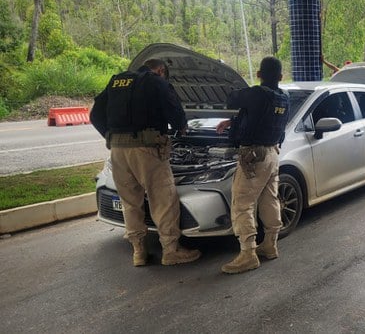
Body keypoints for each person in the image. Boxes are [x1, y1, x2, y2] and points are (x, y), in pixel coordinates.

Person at [90, 59, 201, 267]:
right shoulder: (156, 81)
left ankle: (139, 251)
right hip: (147, 149)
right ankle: (171, 250)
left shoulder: (117, 81)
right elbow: (174, 109)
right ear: (160, 70)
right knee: (163, 198)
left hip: (117, 150)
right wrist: (181, 127)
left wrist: (110, 134)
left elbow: (95, 114)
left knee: (131, 202)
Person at [215, 56, 290, 274]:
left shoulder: (256, 93)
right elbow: (262, 117)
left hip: (253, 156)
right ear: (281, 76)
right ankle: (270, 245)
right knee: (269, 199)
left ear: (258, 75)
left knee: (242, 203)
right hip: (272, 154)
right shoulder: (283, 98)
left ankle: (248, 254)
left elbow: (232, 99)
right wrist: (233, 122)